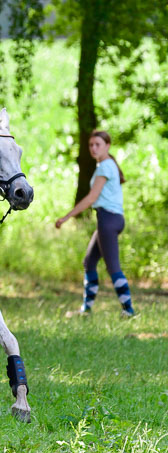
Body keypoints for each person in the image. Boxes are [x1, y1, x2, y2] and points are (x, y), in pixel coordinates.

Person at [55, 129, 135, 317]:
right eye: (91, 145)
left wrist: (67, 217)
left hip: (108, 220)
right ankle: (86, 310)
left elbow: (91, 198)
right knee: (89, 262)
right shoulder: (106, 165)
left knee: (112, 267)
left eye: (98, 144)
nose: (93, 148)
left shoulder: (105, 167)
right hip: (109, 219)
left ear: (107, 146)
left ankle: (129, 311)